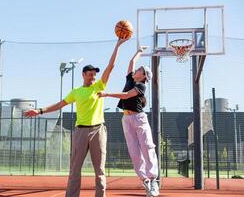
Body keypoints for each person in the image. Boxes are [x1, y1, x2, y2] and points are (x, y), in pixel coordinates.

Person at [24, 39, 127, 197]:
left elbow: (110, 67)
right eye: (90, 73)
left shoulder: (99, 86)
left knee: (99, 170)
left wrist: (118, 45)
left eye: (94, 74)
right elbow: (60, 105)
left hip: (98, 130)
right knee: (74, 170)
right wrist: (39, 110)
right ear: (83, 74)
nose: (93, 76)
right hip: (80, 132)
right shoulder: (76, 91)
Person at [98, 47, 159, 197]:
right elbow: (131, 61)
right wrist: (139, 51)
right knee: (134, 152)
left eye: (139, 70)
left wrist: (107, 94)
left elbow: (126, 95)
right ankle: (144, 180)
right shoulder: (131, 79)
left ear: (143, 75)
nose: (136, 70)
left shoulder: (141, 86)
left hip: (139, 119)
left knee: (147, 147)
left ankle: (153, 180)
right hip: (126, 119)